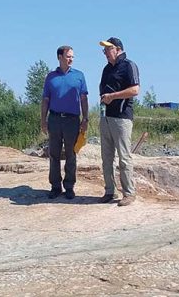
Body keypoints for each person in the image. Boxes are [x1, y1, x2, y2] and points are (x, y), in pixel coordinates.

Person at [41, 45, 89, 200]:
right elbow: (45, 99)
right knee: (54, 154)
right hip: (54, 119)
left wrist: (85, 119)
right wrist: (43, 120)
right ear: (59, 57)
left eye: (72, 57)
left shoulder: (79, 76)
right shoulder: (50, 77)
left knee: (71, 154)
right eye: (68, 56)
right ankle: (55, 186)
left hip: (72, 120)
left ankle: (69, 186)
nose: (71, 59)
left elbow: (84, 98)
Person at [98, 37, 140, 206]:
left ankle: (129, 193)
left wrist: (113, 96)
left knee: (124, 157)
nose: (105, 53)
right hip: (105, 117)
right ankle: (110, 191)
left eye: (108, 49)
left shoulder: (129, 65)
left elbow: (135, 90)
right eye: (104, 50)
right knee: (106, 157)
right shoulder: (107, 69)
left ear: (118, 49)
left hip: (122, 118)